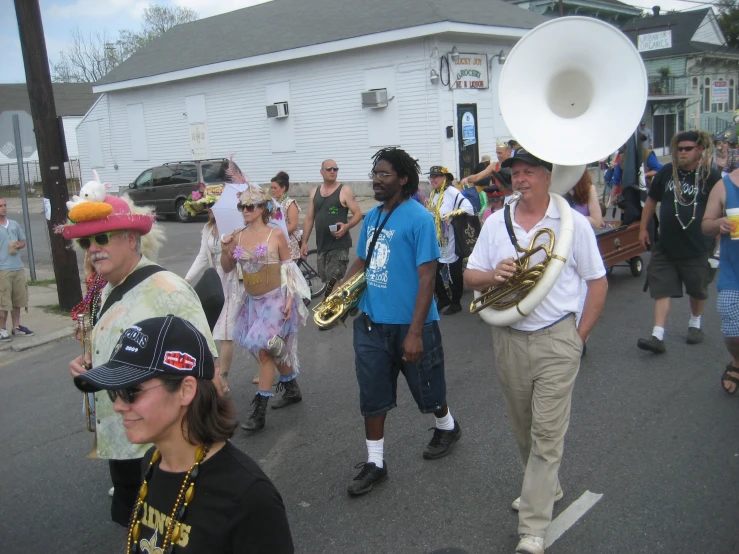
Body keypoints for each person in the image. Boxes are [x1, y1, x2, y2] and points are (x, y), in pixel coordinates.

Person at [464, 149, 608, 554]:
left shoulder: (572, 224)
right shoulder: (495, 223)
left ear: (548, 177)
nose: (521, 178)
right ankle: (546, 485)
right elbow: (470, 275)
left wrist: (578, 338)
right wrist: (495, 276)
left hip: (556, 338)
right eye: (516, 172)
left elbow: (597, 282)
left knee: (547, 433)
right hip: (508, 338)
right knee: (523, 426)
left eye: (529, 172)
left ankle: (532, 528)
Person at [73, 315, 294, 553]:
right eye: (113, 392)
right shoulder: (152, 461)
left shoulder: (249, 498)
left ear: (186, 390)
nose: (118, 405)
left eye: (130, 391)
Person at [64, 193, 219, 527]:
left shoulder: (169, 290)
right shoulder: (106, 289)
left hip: (159, 445)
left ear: (132, 239)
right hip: (122, 436)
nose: (93, 248)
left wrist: (205, 451)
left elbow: (208, 372)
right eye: (86, 243)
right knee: (132, 524)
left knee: (167, 530)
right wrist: (89, 365)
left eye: (102, 238)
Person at [343, 147, 461, 497]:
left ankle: (447, 425)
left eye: (384, 175)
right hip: (371, 323)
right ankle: (375, 463)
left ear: (403, 179)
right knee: (372, 394)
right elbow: (361, 261)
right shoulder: (373, 217)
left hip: (413, 325)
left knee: (428, 389)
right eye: (375, 174)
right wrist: (341, 293)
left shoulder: (420, 219)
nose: (376, 180)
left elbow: (428, 277)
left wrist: (414, 333)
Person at [221, 182, 310, 431]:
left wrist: (291, 297)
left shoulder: (276, 234)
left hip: (276, 300)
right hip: (252, 303)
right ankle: (291, 387)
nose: (245, 210)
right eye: (242, 206)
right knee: (270, 351)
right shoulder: (237, 235)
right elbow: (228, 268)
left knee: (264, 350)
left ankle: (259, 413)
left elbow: (288, 267)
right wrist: (226, 250)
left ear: (262, 208)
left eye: (250, 206)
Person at [637, 131, 721, 354]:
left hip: (698, 247)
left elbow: (721, 207)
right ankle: (657, 335)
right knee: (661, 287)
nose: (682, 152)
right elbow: (651, 201)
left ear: (699, 150)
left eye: (687, 149)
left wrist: (719, 247)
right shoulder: (666, 172)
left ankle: (695, 324)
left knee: (697, 289)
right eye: (679, 149)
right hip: (666, 246)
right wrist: (643, 229)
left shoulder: (710, 177)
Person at [184, 200, 245, 395]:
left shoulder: (236, 226)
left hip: (234, 281)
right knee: (217, 329)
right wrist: (186, 280)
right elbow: (203, 257)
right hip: (215, 281)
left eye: (213, 204)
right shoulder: (208, 228)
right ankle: (264, 362)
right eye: (207, 205)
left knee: (226, 331)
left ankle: (223, 378)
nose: (210, 208)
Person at [702, 169, 739, 394]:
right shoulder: (725, 185)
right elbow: (706, 225)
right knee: (732, 330)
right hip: (733, 272)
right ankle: (737, 360)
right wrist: (720, 223)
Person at [300, 160, 362, 284]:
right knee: (327, 280)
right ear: (321, 172)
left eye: (335, 169)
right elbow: (309, 218)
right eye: (329, 169)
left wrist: (346, 226)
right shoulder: (314, 192)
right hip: (322, 245)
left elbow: (358, 214)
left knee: (333, 281)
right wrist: (304, 242)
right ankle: (338, 303)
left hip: (339, 245)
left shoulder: (344, 191)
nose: (333, 171)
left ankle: (334, 303)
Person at [426, 166, 475, 315]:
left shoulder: (453, 192)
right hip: (438, 239)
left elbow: (469, 208)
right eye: (431, 177)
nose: (432, 179)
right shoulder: (434, 193)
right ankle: (443, 298)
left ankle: (456, 302)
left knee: (454, 271)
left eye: (436, 176)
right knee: (431, 270)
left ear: (445, 178)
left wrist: (452, 214)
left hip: (452, 239)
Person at [0, 197, 33, 341]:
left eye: (5, 205)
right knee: (3, 301)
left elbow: (23, 241)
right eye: (0, 206)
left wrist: (19, 244)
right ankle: (2, 329)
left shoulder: (13, 224)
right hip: (3, 269)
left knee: (18, 299)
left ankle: (16, 326)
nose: (3, 208)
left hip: (17, 267)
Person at [269, 171, 302, 261]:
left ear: (283, 188)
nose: (272, 190)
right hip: (277, 240)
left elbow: (293, 224)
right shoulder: (273, 203)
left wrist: (279, 234)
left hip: (289, 241)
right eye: (271, 188)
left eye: (275, 188)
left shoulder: (290, 203)